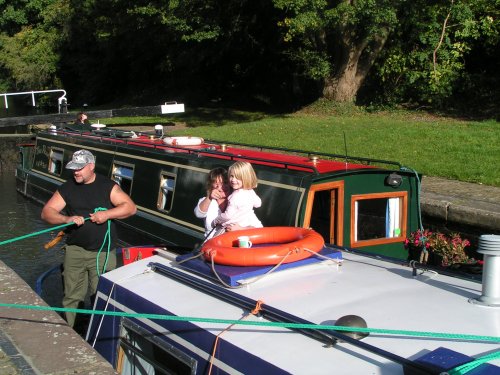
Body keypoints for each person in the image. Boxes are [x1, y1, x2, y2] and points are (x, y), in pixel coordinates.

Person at [41, 149, 136, 328]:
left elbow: (130, 208)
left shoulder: (108, 186)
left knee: (100, 296)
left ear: (91, 166)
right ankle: (73, 332)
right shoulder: (67, 188)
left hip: (102, 253)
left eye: (80, 168)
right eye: (73, 168)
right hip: (75, 250)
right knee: (71, 297)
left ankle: (99, 335)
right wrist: (65, 219)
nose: (76, 172)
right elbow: (47, 213)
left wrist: (107, 214)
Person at [194, 167, 252, 241]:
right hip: (210, 246)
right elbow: (198, 214)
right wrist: (209, 197)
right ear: (211, 185)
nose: (221, 187)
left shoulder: (239, 201)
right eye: (217, 184)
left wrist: (241, 229)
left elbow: (256, 227)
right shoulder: (207, 200)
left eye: (225, 183)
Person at [212, 161, 263, 230]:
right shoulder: (250, 191)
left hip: (238, 228)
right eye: (231, 176)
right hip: (255, 225)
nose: (233, 180)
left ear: (246, 178)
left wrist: (216, 220)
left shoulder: (235, 196)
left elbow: (227, 216)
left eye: (237, 177)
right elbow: (258, 204)